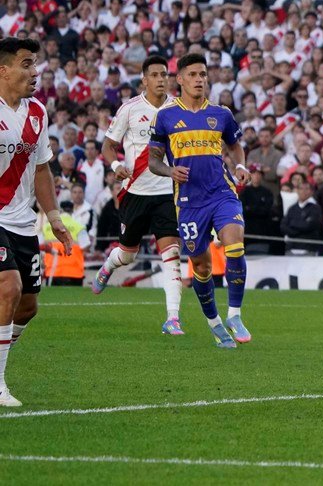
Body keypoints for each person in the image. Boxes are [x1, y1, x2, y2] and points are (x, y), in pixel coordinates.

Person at [147, 53, 252, 348]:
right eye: (192, 74)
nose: (199, 80)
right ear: (179, 79)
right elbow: (153, 161)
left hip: (222, 192)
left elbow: (235, 147)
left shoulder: (221, 114)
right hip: (190, 203)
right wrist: (170, 170)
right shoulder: (166, 116)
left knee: (235, 244)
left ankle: (234, 314)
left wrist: (240, 167)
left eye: (203, 75)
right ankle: (215, 323)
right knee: (202, 268)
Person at [0, 37, 74, 407]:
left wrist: (55, 217)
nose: (35, 71)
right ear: (4, 70)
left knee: (28, 306)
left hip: (22, 221)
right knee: (8, 288)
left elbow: (42, 168)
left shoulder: (38, 113)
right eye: (27, 64)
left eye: (35, 64)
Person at [92, 55, 185, 336]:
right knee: (127, 254)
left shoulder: (178, 108)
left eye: (164, 75)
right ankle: (108, 266)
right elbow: (108, 146)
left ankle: (173, 318)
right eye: (155, 75)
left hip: (167, 192)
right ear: (144, 79)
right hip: (135, 192)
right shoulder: (129, 109)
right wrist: (116, 165)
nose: (161, 79)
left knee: (172, 252)